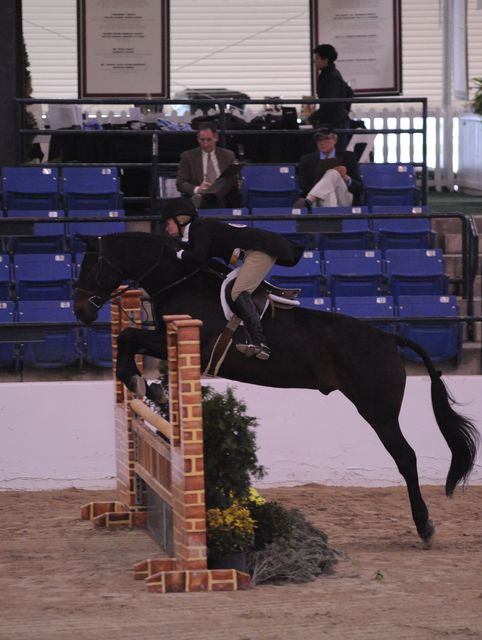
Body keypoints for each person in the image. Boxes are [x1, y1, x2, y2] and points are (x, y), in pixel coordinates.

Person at [161, 197, 303, 360]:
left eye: (168, 223)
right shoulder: (197, 231)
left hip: (259, 250)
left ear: (181, 219)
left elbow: (198, 257)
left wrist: (179, 254)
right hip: (251, 252)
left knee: (238, 291)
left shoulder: (199, 228)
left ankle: (259, 341)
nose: (166, 228)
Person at [176, 122, 242, 209]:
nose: (205, 144)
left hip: (224, 197)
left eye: (209, 140)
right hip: (201, 197)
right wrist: (197, 189)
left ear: (216, 138)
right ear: (198, 139)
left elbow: (235, 180)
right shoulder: (188, 157)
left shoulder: (228, 155)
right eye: (202, 140)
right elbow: (180, 183)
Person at [295, 126, 363, 208]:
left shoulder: (348, 157)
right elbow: (304, 186)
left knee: (333, 173)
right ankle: (331, 214)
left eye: (326, 139)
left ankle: (309, 200)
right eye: (319, 140)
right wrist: (324, 184)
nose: (322, 142)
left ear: (335, 140)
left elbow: (359, 187)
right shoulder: (307, 160)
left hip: (344, 197)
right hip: (320, 200)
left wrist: (346, 177)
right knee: (330, 189)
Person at [309, 43, 352, 149]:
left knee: (335, 153)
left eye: (317, 58)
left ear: (325, 60)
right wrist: (345, 110)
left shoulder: (332, 77)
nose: (315, 61)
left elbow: (329, 102)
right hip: (334, 120)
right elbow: (349, 92)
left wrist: (314, 117)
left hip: (335, 122)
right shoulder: (329, 74)